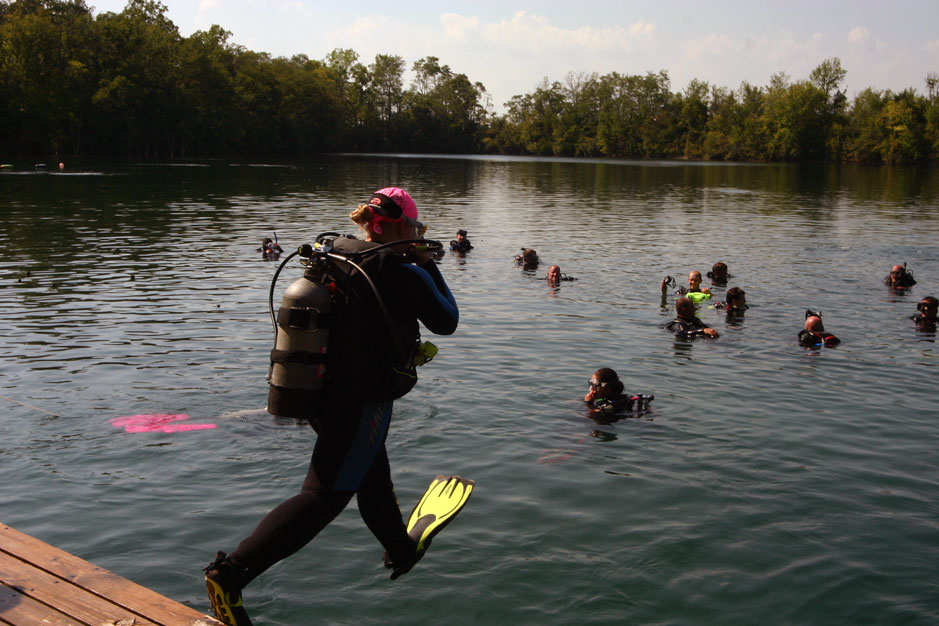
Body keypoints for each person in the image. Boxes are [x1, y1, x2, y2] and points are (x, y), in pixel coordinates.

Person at [204, 187, 459, 626]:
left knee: (370, 472)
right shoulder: (403, 271)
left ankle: (399, 549)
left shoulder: (336, 255)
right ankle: (230, 574)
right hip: (359, 401)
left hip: (320, 394)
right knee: (322, 497)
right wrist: (428, 263)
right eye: (416, 226)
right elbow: (448, 319)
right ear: (401, 227)